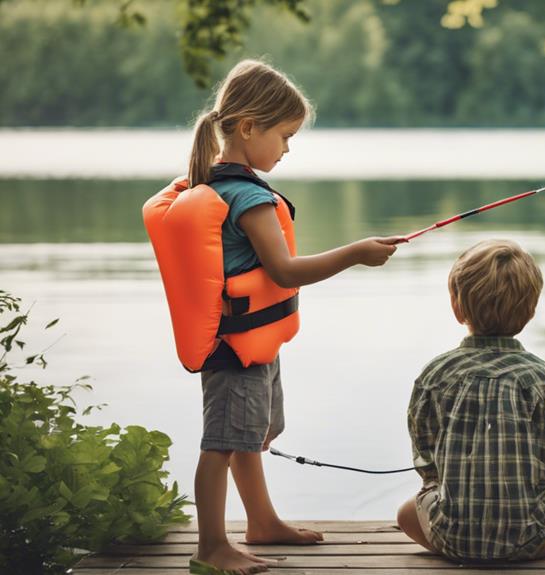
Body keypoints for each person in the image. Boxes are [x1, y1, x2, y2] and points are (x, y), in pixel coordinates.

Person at [143, 59, 402, 575]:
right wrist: (355, 253)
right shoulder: (251, 198)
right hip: (237, 346)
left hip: (246, 340)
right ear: (247, 128)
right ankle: (212, 546)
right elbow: (284, 272)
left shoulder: (216, 183)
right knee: (221, 443)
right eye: (285, 135)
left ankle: (260, 521)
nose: (287, 148)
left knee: (249, 433)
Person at [396, 239, 545, 563]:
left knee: (406, 513)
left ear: (457, 307)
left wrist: (441, 481)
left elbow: (424, 452)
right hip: (530, 539)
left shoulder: (435, 374)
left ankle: (465, 544)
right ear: (530, 311)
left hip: (452, 539)